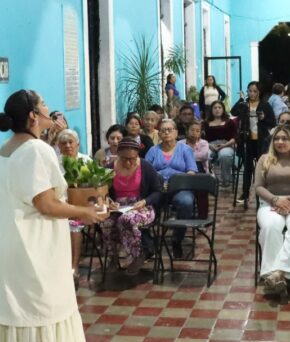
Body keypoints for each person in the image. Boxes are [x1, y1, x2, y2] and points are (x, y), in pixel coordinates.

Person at [0, 89, 107, 342]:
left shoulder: (7, 150)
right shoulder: (36, 151)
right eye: (44, 104)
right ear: (33, 116)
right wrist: (85, 213)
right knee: (36, 314)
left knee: (7, 315)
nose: (50, 108)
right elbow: (45, 204)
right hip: (30, 248)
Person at [253, 124, 290, 298]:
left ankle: (277, 273)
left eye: (285, 138)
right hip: (270, 202)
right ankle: (279, 275)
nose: (280, 142)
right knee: (271, 227)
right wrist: (275, 200)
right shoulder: (264, 159)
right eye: (277, 138)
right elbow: (258, 187)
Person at [102, 137, 161, 275]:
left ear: (137, 156)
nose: (128, 162)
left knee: (127, 220)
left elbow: (158, 191)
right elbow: (102, 192)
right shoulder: (109, 168)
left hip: (141, 206)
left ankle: (137, 255)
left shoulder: (145, 166)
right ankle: (113, 257)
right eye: (124, 159)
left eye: (132, 159)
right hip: (118, 207)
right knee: (105, 221)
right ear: (118, 154)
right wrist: (109, 201)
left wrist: (145, 201)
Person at [145, 119, 198, 257]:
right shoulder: (153, 151)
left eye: (169, 129)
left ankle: (177, 238)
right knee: (144, 203)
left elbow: (192, 171)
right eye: (163, 130)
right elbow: (145, 172)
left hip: (180, 188)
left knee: (186, 202)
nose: (166, 133)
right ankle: (149, 240)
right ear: (159, 134)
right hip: (157, 189)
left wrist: (178, 181)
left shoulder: (185, 149)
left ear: (176, 133)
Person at [231, 81, 276, 209]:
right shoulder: (244, 104)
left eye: (254, 91)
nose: (252, 93)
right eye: (249, 91)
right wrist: (240, 100)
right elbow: (233, 111)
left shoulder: (265, 105)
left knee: (261, 168)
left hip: (261, 141)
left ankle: (263, 192)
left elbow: (272, 122)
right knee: (247, 168)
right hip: (247, 140)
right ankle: (245, 194)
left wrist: (263, 119)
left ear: (259, 92)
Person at [57, 129, 92, 288]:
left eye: (71, 142)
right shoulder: (54, 163)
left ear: (78, 144)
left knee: (74, 225)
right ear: (58, 145)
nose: (68, 146)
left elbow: (94, 188)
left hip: (81, 208)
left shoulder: (86, 161)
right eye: (63, 143)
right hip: (59, 207)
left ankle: (74, 267)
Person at [204, 100, 237, 187]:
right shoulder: (206, 123)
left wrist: (225, 145)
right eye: (215, 108)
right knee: (204, 155)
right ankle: (209, 179)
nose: (217, 110)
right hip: (210, 145)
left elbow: (235, 137)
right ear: (211, 110)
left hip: (227, 144)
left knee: (224, 155)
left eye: (219, 107)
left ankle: (226, 179)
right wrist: (209, 145)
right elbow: (202, 139)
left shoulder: (230, 122)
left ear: (223, 109)